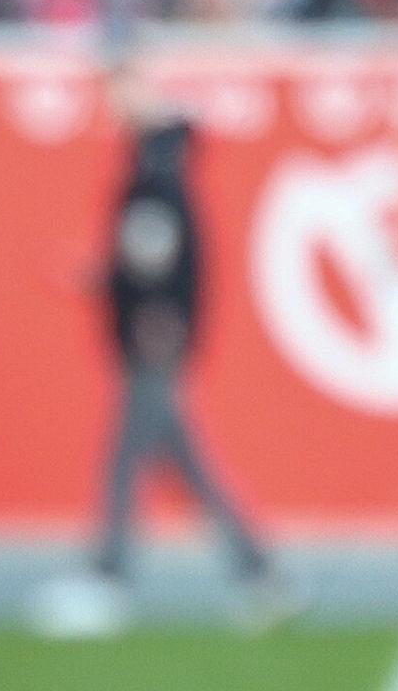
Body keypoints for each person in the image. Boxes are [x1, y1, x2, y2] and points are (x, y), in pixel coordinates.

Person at [87, 86, 289, 627]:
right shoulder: (170, 187)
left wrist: (148, 312)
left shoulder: (157, 188)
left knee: (128, 460)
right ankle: (257, 570)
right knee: (184, 465)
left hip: (152, 347)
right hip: (155, 342)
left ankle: (111, 575)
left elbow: (154, 265)